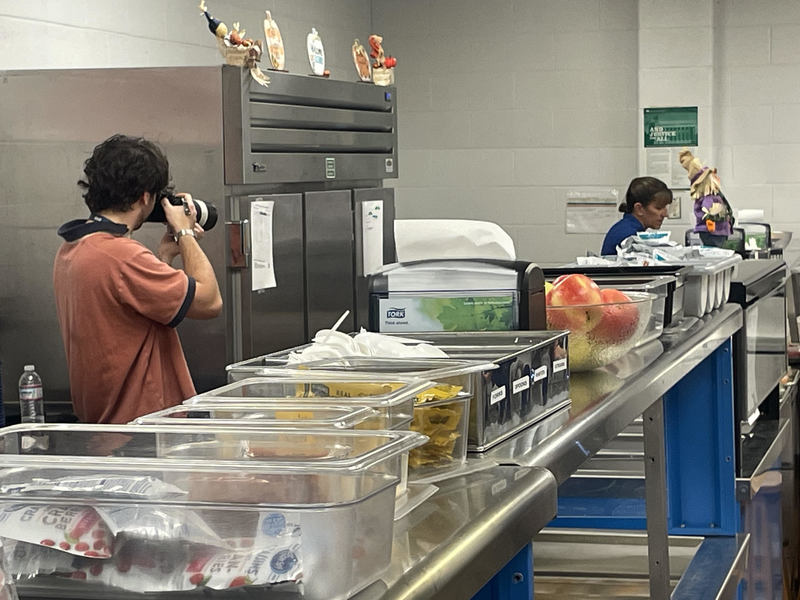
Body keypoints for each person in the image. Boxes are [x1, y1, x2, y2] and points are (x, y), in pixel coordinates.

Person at [53, 134, 223, 424]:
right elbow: (209, 302)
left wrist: (164, 258)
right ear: (145, 197)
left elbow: (129, 314)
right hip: (141, 429)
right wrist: (184, 234)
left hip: (107, 425)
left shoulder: (72, 248)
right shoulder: (121, 256)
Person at [601, 177, 673, 255]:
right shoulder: (629, 236)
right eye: (658, 208)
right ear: (639, 209)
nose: (665, 214)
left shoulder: (625, 227)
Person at [678, 149, 734, 247]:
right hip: (714, 232)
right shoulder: (710, 197)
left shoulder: (712, 197)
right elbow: (707, 210)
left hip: (715, 232)